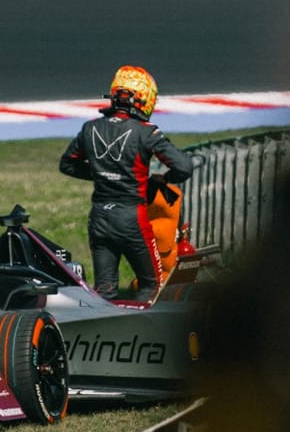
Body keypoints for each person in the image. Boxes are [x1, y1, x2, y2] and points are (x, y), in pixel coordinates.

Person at [58, 65, 193, 301]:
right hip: (132, 218)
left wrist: (102, 174)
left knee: (105, 292)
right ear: (142, 99)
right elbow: (184, 166)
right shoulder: (146, 132)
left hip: (99, 218)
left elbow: (67, 164)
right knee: (151, 285)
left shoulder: (90, 128)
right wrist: (163, 179)